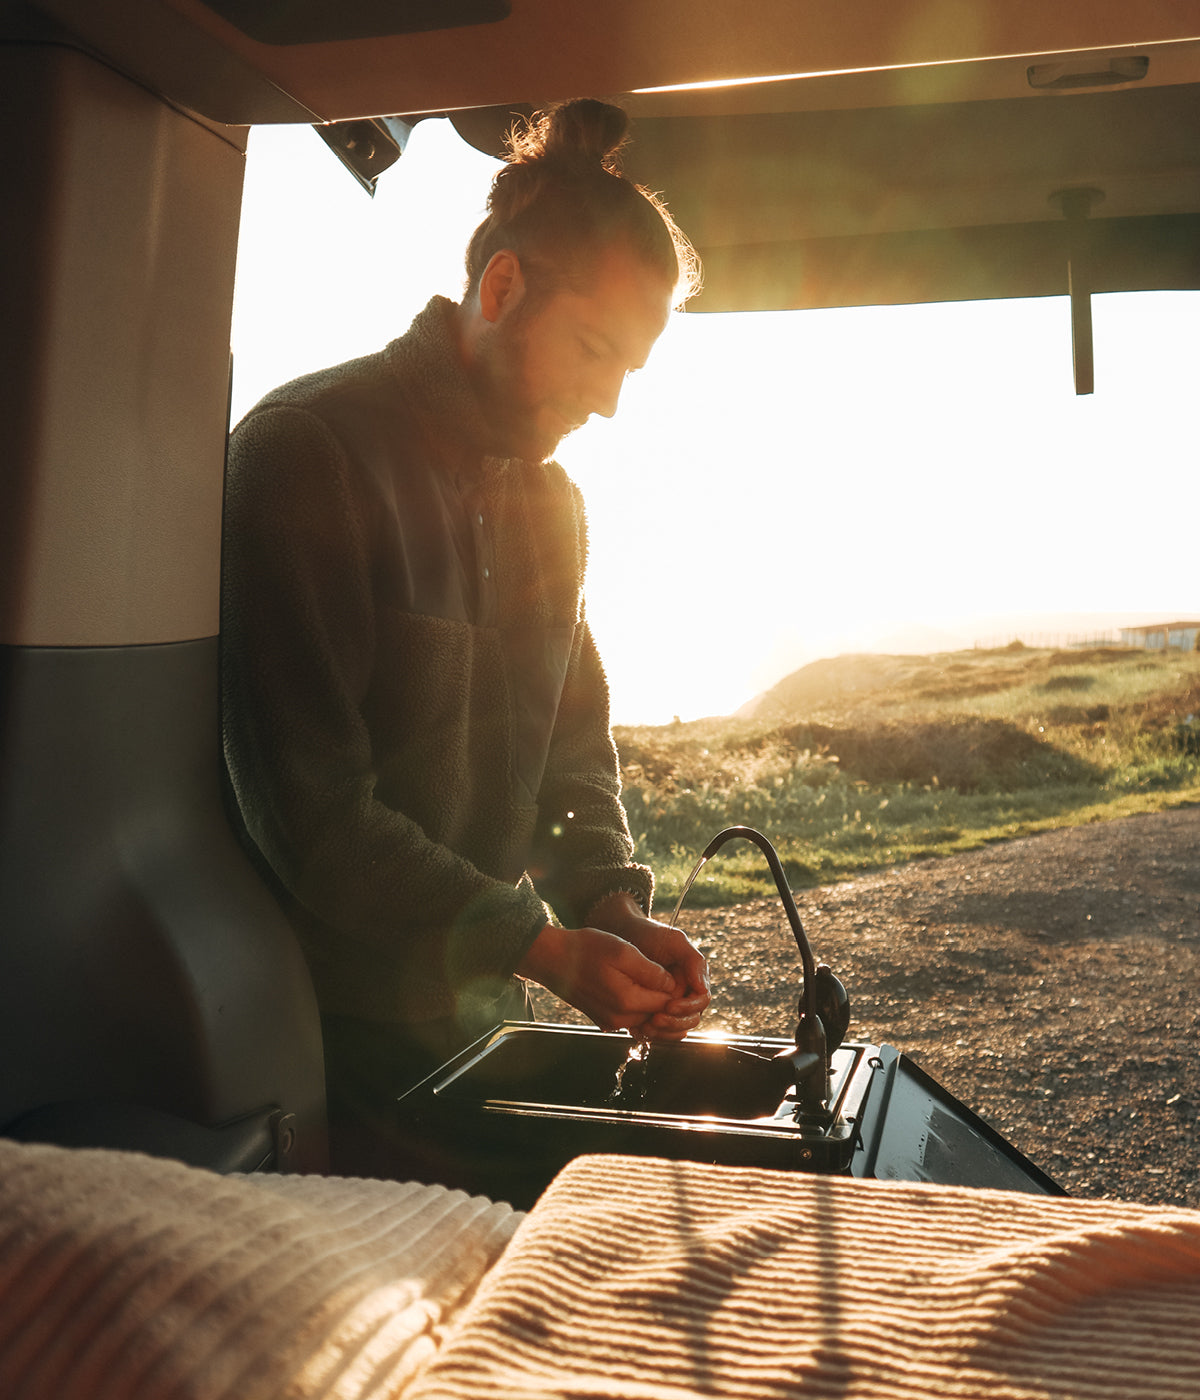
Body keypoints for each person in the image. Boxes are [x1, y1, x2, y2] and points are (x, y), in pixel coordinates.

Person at [221, 98, 709, 1175]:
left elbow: (574, 752)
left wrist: (609, 904)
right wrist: (538, 943)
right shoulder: (305, 457)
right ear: (501, 289)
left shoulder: (555, 506)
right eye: (594, 349)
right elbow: (316, 816)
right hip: (331, 1043)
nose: (612, 402)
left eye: (631, 366)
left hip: (487, 1019)